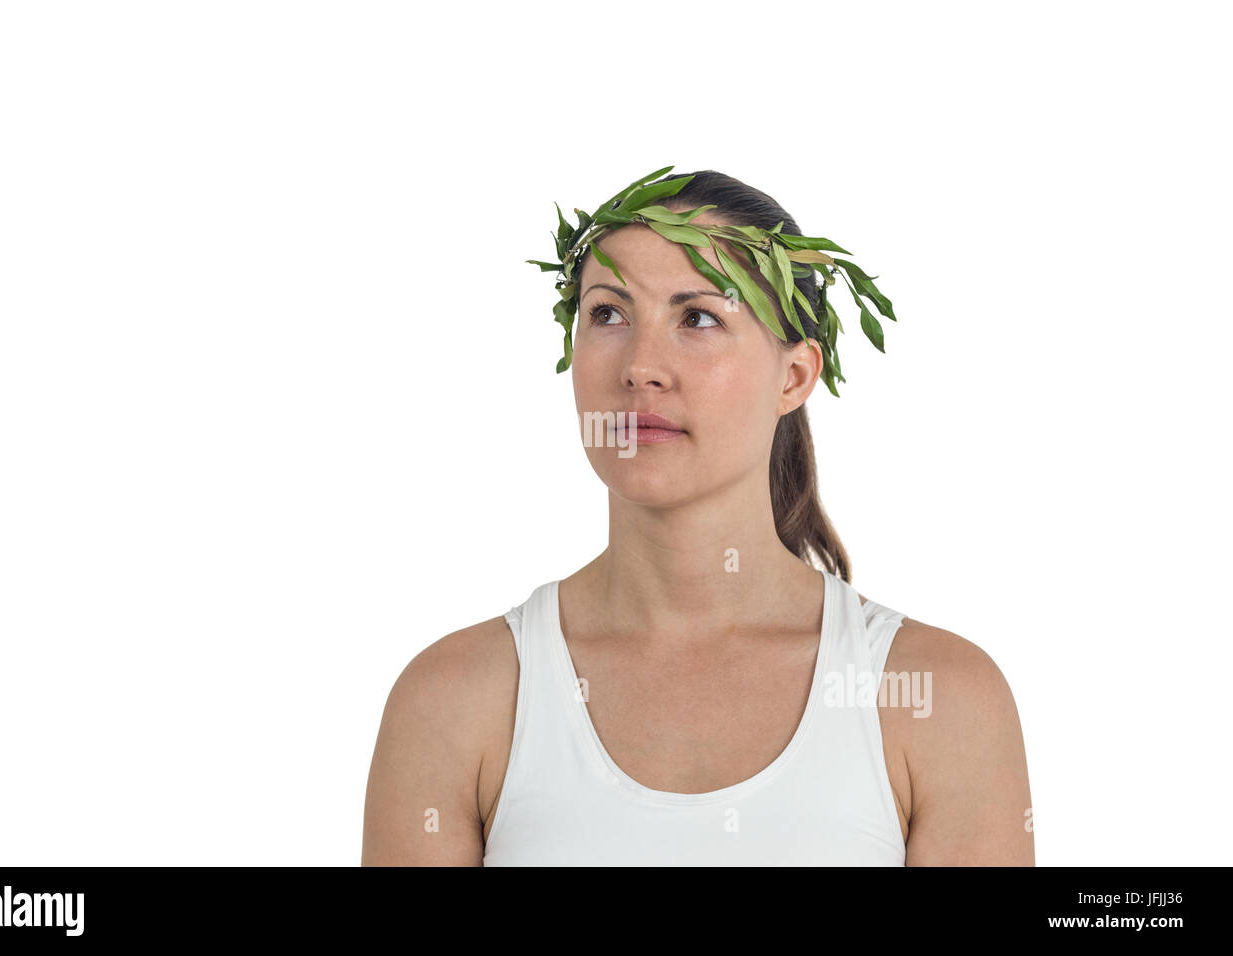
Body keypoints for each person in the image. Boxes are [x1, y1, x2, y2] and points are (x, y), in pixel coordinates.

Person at [360, 169, 1034, 866]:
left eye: (699, 317)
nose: (641, 368)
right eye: (609, 314)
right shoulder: (452, 701)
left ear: (794, 377)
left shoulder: (938, 701)